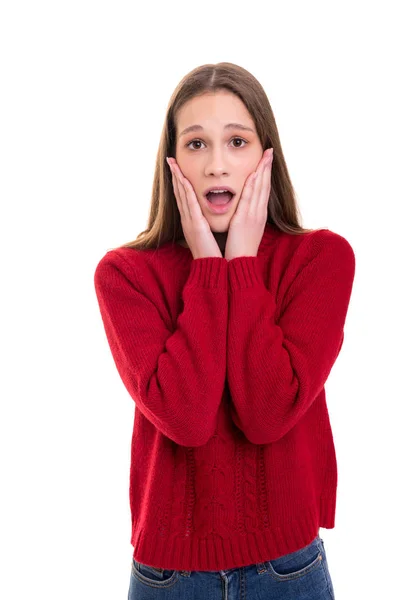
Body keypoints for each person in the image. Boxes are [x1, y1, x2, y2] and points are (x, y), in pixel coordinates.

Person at [94, 62, 355, 599]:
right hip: (168, 577)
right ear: (172, 163)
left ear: (266, 156)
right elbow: (186, 419)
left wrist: (241, 262)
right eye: (196, 144)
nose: (216, 165)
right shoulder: (125, 275)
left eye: (236, 141)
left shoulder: (321, 259)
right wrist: (210, 271)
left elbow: (266, 414)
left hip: (289, 568)